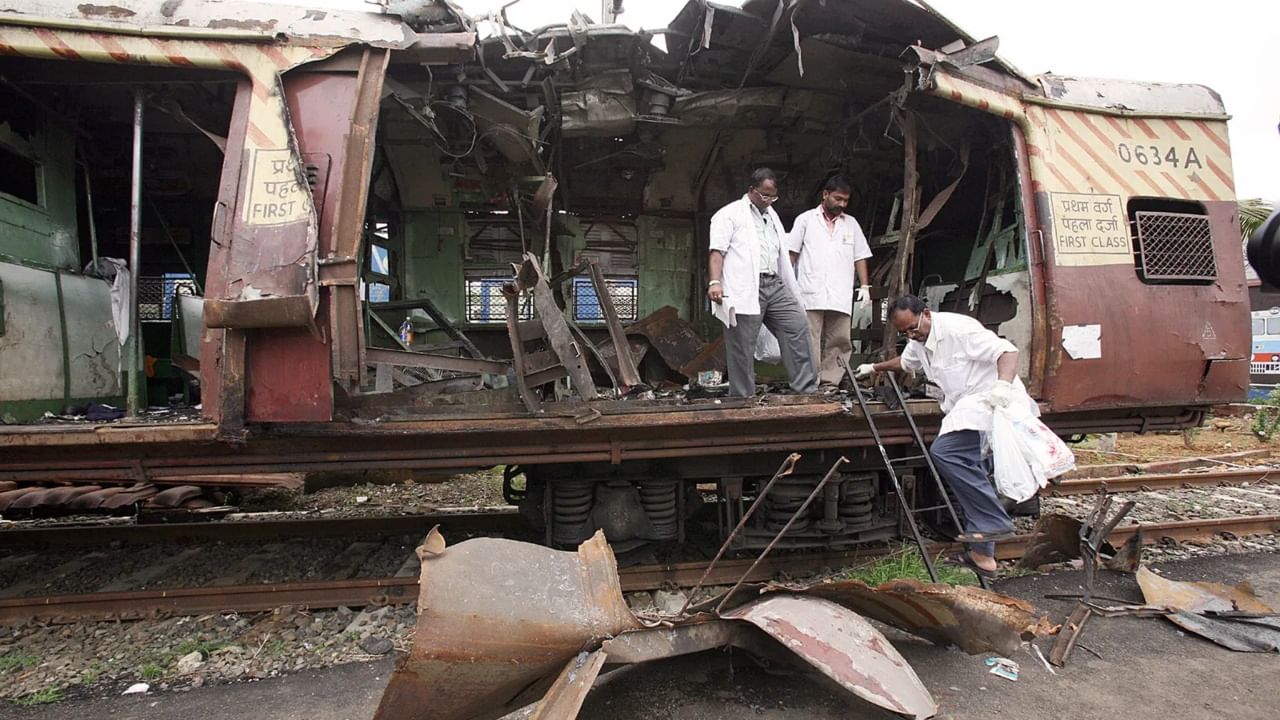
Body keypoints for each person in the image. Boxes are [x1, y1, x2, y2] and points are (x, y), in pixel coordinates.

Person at [855, 295, 1037, 576]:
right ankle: (984, 557)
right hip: (964, 406)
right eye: (904, 332)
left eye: (913, 328)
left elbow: (1007, 351)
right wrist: (874, 368)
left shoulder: (958, 328)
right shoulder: (919, 342)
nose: (910, 335)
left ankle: (993, 520)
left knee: (947, 453)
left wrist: (1002, 386)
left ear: (926, 314)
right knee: (973, 472)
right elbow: (905, 363)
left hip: (989, 398)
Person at [708, 168, 817, 397]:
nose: (768, 201)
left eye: (772, 196)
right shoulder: (729, 214)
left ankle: (805, 390)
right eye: (764, 195)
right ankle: (742, 398)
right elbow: (717, 251)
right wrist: (715, 282)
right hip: (746, 286)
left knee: (797, 326)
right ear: (751, 190)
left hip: (774, 283)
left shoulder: (771, 216)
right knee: (742, 345)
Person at [787, 176, 872, 388]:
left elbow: (859, 255)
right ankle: (809, 382)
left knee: (840, 340)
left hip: (840, 292)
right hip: (810, 291)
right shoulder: (805, 220)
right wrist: (786, 283)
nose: (842, 204)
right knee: (809, 340)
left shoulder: (851, 224)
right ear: (825, 194)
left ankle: (830, 382)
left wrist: (865, 286)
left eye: (846, 200)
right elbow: (792, 254)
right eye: (838, 198)